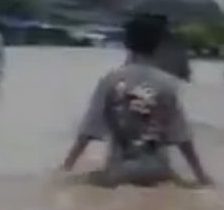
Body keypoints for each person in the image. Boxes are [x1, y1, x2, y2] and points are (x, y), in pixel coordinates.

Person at [61, 14, 213, 187]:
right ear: (158, 45)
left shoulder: (110, 80)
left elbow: (88, 131)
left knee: (80, 183)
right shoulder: (168, 84)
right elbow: (182, 137)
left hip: (118, 171)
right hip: (159, 172)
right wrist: (201, 176)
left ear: (126, 44)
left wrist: (66, 167)